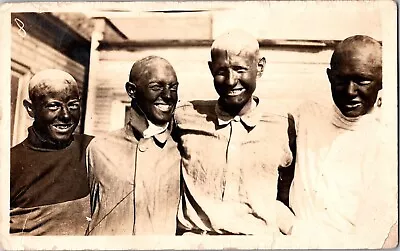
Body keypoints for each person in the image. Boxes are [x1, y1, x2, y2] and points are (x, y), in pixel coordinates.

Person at [279, 35, 397, 248]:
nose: (350, 92)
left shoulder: (387, 143)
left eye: (362, 81)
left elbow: (370, 238)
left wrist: (292, 227)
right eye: (341, 81)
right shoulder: (307, 116)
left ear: (382, 80)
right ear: (329, 77)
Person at [174, 30, 295, 235]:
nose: (231, 81)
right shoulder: (185, 117)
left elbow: (287, 193)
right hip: (196, 242)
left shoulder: (282, 124)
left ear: (260, 67)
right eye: (222, 71)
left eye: (240, 69)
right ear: (211, 69)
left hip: (258, 243)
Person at [86, 56, 181, 235]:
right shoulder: (99, 148)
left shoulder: (181, 151)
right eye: (156, 87)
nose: (168, 95)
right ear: (131, 90)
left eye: (173, 88)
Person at [10, 69, 94, 235]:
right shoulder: (10, 163)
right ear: (30, 108)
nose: (65, 115)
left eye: (73, 105)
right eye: (54, 106)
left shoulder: (92, 149)